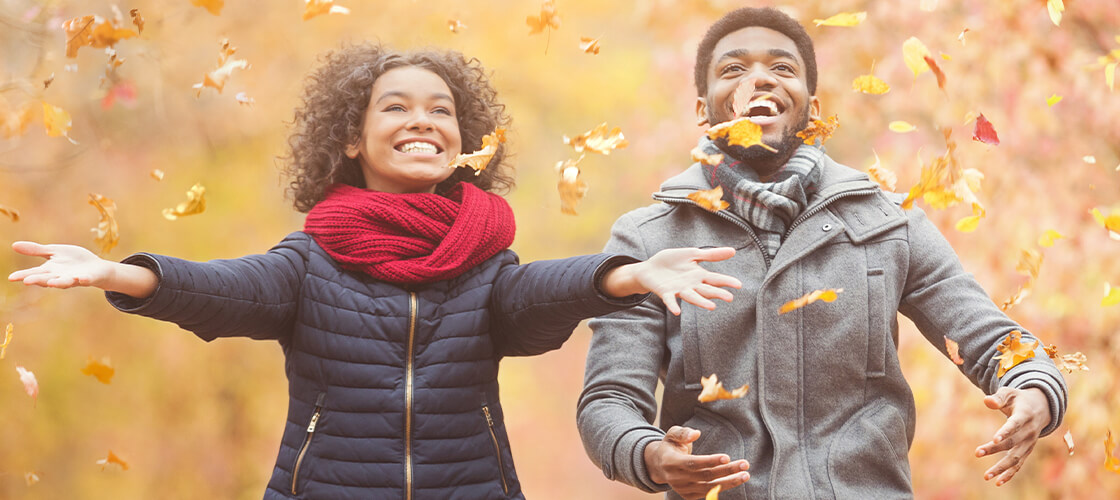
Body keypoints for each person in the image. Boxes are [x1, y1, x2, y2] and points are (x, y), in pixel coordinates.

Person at [8, 44, 743, 500]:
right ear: (354, 138)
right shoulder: (311, 261)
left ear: (464, 142)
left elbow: (536, 294)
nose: (423, 120)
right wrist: (113, 272)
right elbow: (221, 289)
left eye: (442, 110)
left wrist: (630, 274)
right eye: (397, 107)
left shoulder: (485, 261)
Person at [576, 7, 1068, 499]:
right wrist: (649, 454)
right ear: (704, 108)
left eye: (783, 68)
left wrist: (1034, 387)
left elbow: (994, 339)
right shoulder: (648, 239)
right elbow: (608, 398)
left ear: (812, 106)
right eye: (733, 69)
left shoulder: (890, 224)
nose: (760, 80)